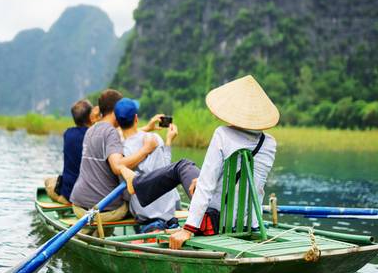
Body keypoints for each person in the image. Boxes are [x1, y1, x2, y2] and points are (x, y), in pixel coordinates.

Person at [168, 75, 278, 250]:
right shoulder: (269, 143)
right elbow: (250, 184)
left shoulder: (223, 134)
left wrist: (188, 229)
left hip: (220, 223)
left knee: (191, 180)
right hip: (251, 224)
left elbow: (206, 186)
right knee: (198, 181)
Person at [70, 89, 161, 232]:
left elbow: (115, 138)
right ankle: (145, 233)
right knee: (136, 203)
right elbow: (117, 166)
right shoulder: (111, 132)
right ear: (115, 111)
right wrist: (146, 150)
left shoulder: (92, 129)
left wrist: (146, 128)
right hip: (102, 210)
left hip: (78, 204)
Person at [114, 98, 183, 233]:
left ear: (116, 122)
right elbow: (166, 171)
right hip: (168, 212)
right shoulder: (154, 138)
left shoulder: (119, 150)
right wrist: (168, 140)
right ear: (136, 118)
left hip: (144, 215)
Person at [43, 99, 98, 204]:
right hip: (90, 193)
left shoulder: (67, 134)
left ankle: (63, 200)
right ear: (91, 117)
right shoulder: (95, 135)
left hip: (69, 192)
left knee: (48, 181)